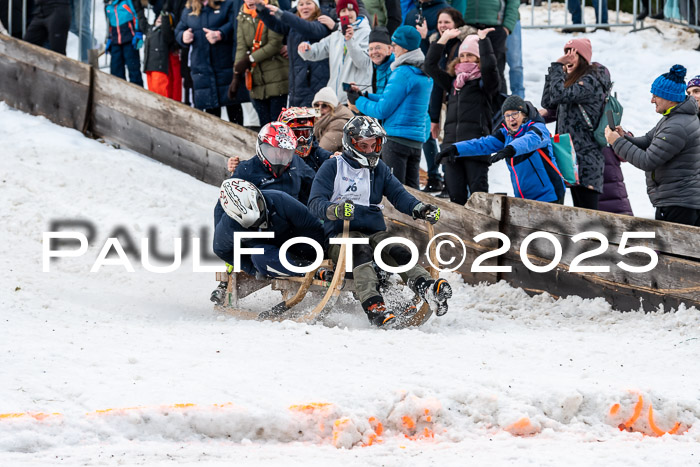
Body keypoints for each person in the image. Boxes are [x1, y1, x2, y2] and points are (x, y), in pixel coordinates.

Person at [308, 116, 452, 327]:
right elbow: (314, 202)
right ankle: (374, 305)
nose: (369, 151)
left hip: (373, 232)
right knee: (360, 249)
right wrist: (335, 210)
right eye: (363, 145)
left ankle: (427, 287)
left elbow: (399, 195)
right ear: (351, 143)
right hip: (342, 235)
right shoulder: (333, 167)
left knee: (395, 249)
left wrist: (420, 209)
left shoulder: (379, 169)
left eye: (374, 145)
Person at [605, 65, 700, 227]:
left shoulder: (677, 126)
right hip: (677, 200)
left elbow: (647, 161)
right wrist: (624, 137)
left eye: (656, 96)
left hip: (679, 203)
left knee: (674, 252)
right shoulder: (672, 117)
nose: (652, 100)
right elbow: (648, 141)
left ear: (669, 97)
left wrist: (617, 142)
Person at [436, 96, 566, 203]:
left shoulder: (537, 128)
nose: (511, 119)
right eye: (507, 115)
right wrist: (455, 148)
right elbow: (483, 144)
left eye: (515, 114)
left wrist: (510, 149)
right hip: (524, 198)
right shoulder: (506, 135)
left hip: (550, 195)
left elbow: (529, 141)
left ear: (524, 114)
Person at [423, 29, 500, 205]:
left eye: (470, 56)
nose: (465, 59)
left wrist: (483, 41)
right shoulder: (453, 82)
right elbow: (430, 67)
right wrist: (443, 39)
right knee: (456, 198)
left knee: (479, 199)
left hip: (476, 148)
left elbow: (490, 67)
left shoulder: (486, 84)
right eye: (462, 55)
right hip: (452, 148)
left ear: (479, 58)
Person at [350, 25, 432, 189]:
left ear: (404, 47)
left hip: (397, 141)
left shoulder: (402, 73)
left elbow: (382, 110)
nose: (393, 48)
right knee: (413, 194)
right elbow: (395, 99)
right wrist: (365, 96)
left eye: (395, 45)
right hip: (415, 141)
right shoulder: (423, 72)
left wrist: (357, 102)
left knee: (394, 193)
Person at [541, 38, 610, 210]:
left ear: (583, 58)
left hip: (586, 158)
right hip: (569, 154)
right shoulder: (570, 82)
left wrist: (557, 66)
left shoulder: (591, 81)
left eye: (573, 53)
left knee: (587, 216)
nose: (568, 57)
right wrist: (556, 71)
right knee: (575, 215)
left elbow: (557, 96)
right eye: (566, 53)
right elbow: (548, 101)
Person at [213, 178, 325, 278]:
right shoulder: (229, 225)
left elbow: (313, 226)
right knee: (258, 255)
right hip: (271, 256)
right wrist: (251, 268)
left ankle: (311, 268)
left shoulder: (280, 200)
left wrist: (319, 253)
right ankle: (306, 270)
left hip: (299, 245)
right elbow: (220, 250)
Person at [424, 7, 471, 196]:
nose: (443, 26)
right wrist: (434, 117)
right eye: (440, 22)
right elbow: (435, 79)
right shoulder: (439, 45)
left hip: (462, 104)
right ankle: (448, 182)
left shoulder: (465, 45)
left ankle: (458, 186)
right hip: (444, 102)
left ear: (457, 24)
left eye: (447, 22)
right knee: (445, 143)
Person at [255, 0, 333, 107]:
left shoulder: (323, 21)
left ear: (316, 6)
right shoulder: (294, 23)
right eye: (301, 4)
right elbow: (276, 25)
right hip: (297, 84)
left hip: (316, 85)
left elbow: (309, 29)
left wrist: (283, 15)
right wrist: (261, 9)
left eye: (309, 3)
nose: (304, 7)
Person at [176, 0, 242, 123]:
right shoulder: (189, 9)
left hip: (224, 66)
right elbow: (179, 30)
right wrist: (183, 36)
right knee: (211, 113)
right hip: (202, 69)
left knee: (233, 107)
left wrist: (220, 33)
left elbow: (235, 23)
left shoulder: (226, 4)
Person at [298, 0, 371, 105]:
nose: (347, 14)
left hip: (356, 98)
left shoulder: (366, 33)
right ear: (339, 15)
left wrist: (350, 41)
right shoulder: (337, 35)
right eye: (343, 11)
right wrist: (305, 48)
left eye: (350, 10)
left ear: (356, 12)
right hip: (335, 100)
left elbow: (363, 63)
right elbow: (316, 52)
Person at [232, 0, 289, 126]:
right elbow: (241, 46)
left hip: (277, 76)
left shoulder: (272, 9)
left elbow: (274, 44)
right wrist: (236, 74)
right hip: (256, 80)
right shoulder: (243, 14)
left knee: (277, 125)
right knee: (264, 125)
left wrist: (249, 59)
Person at [232, 122, 317, 204]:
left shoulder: (297, 162)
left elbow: (316, 184)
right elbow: (227, 202)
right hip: (264, 216)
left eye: (285, 152)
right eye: (275, 151)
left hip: (294, 215)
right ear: (263, 147)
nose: (280, 156)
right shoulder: (246, 170)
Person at [230, 107, 333, 173]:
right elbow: (257, 165)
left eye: (306, 134)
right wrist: (238, 167)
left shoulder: (315, 152)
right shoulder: (274, 153)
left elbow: (324, 155)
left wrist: (334, 158)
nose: (302, 140)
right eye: (297, 135)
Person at [461, 0, 518, 93]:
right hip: (467, 28)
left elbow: (513, 2)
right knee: (467, 70)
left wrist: (507, 26)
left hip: (495, 28)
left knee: (496, 71)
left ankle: (500, 105)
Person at [144, 0, 187, 101]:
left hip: (176, 34)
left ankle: (176, 104)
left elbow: (181, 14)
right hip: (163, 31)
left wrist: (177, 42)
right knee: (163, 74)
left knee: (175, 76)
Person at [104, 0, 146, 86]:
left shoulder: (128, 1)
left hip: (130, 40)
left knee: (134, 71)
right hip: (115, 42)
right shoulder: (107, 5)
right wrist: (109, 38)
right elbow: (109, 24)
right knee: (116, 72)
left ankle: (137, 96)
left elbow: (138, 14)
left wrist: (138, 32)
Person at [312, 86, 355, 152]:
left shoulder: (339, 123)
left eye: (324, 105)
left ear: (332, 107)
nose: (320, 108)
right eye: (316, 105)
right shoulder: (322, 120)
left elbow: (322, 150)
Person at [367, 26, 395, 95]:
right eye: (370, 49)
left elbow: (387, 102)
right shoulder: (377, 67)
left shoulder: (395, 69)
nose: (374, 52)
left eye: (378, 48)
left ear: (389, 49)